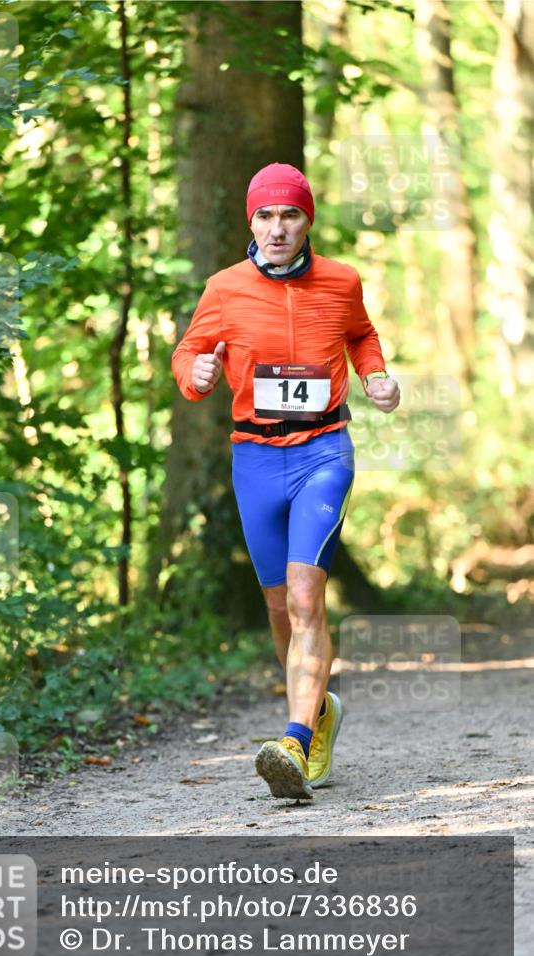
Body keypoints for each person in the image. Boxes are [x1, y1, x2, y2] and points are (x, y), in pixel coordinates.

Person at [171, 162, 400, 800]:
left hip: (324, 451)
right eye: (266, 215)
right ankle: (321, 710)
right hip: (254, 459)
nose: (277, 227)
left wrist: (376, 375)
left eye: (290, 215)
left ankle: (295, 738)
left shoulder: (341, 280)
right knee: (278, 606)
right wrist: (199, 378)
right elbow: (188, 354)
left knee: (305, 598)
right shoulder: (224, 288)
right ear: (251, 220)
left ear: (308, 220)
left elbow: (361, 333)